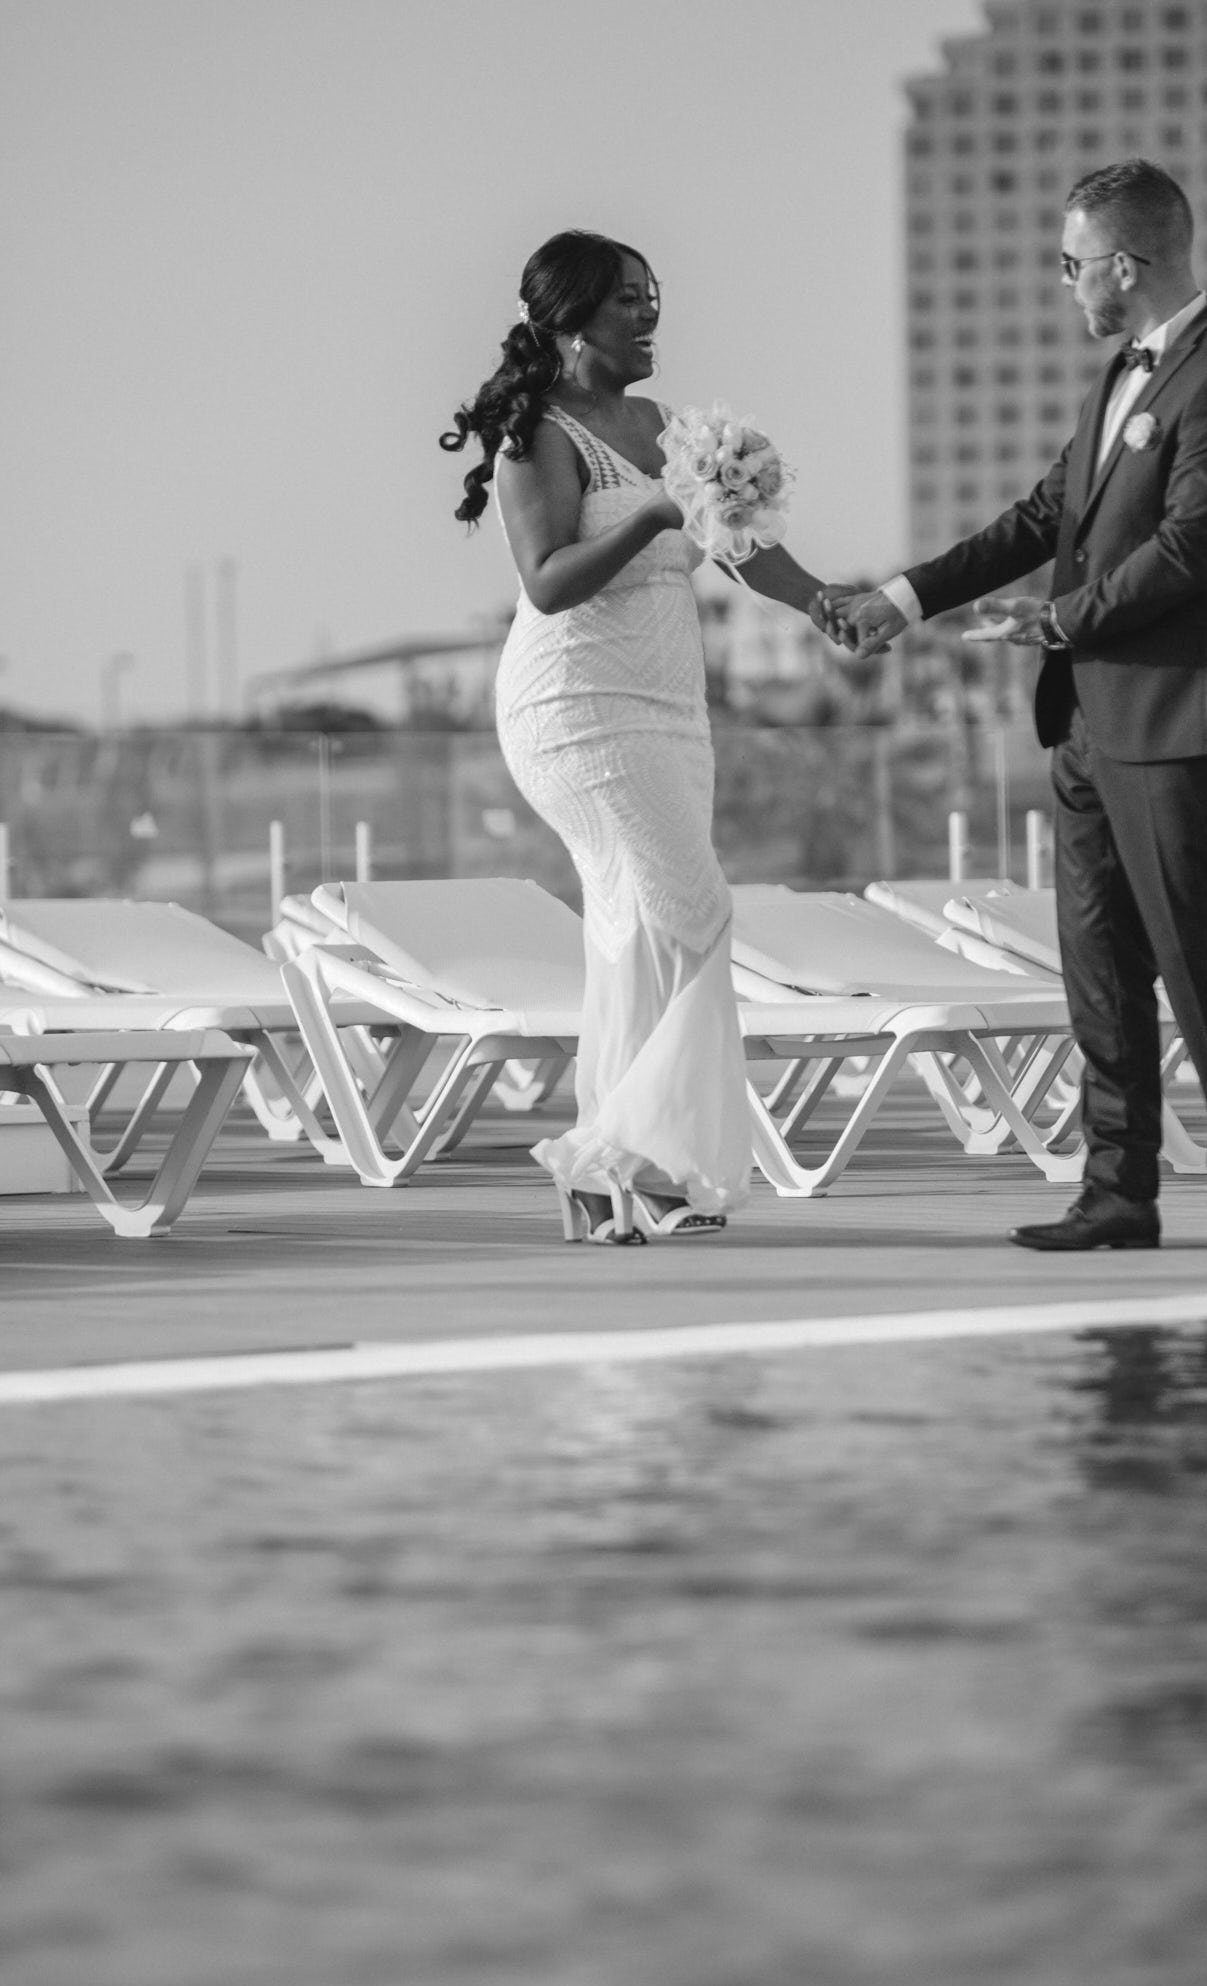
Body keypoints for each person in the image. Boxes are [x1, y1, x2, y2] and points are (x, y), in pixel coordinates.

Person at [823, 160, 1207, 1253]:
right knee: (1098, 969)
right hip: (1087, 722)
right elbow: (1043, 515)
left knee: (1200, 962)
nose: (1063, 282)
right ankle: (1117, 1191)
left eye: (1070, 263)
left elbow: (1190, 551)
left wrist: (1056, 622)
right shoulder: (1118, 380)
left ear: (1123, 266)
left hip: (1177, 723)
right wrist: (902, 600)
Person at [442, 230, 826, 1243]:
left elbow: (738, 547)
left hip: (670, 707)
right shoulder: (537, 435)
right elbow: (547, 581)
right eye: (627, 298)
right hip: (576, 708)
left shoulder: (663, 424)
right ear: (570, 320)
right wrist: (654, 516)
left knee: (634, 932)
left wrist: (823, 602)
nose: (649, 312)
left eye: (653, 294)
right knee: (689, 908)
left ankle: (612, 1172)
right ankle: (632, 1159)